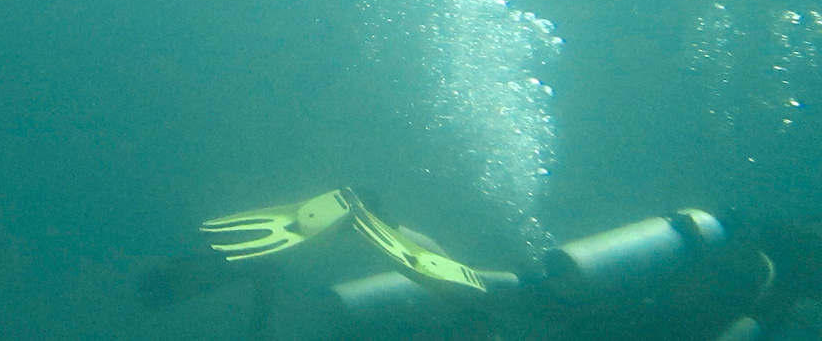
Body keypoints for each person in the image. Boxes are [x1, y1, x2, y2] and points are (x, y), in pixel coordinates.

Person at [138, 187, 822, 341]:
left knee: (482, 294)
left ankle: (272, 275)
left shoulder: (746, 258)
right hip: (582, 315)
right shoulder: (768, 297)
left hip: (577, 304)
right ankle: (360, 217)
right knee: (482, 294)